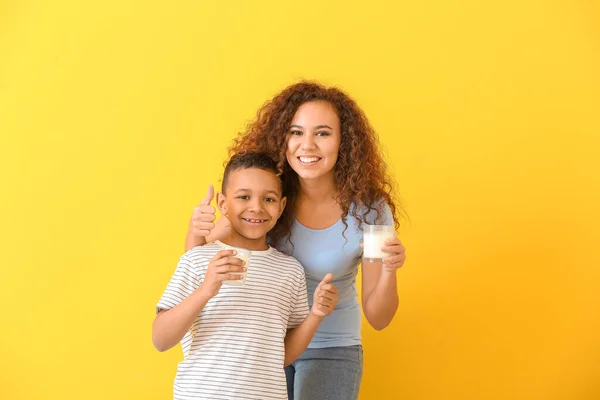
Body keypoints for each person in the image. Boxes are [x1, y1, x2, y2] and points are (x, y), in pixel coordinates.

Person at [186, 81, 407, 400]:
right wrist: (196, 231)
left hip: (330, 348)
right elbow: (194, 269)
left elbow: (379, 317)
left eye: (322, 133)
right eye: (296, 132)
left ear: (343, 142)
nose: (308, 146)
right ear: (282, 138)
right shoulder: (268, 196)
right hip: (262, 343)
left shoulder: (370, 211)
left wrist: (389, 270)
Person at [153, 152, 339, 399]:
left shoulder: (290, 271)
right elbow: (161, 340)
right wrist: (206, 289)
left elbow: (281, 354)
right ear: (222, 203)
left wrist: (316, 314)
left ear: (281, 206)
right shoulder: (197, 259)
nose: (256, 207)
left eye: (269, 199)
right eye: (243, 197)